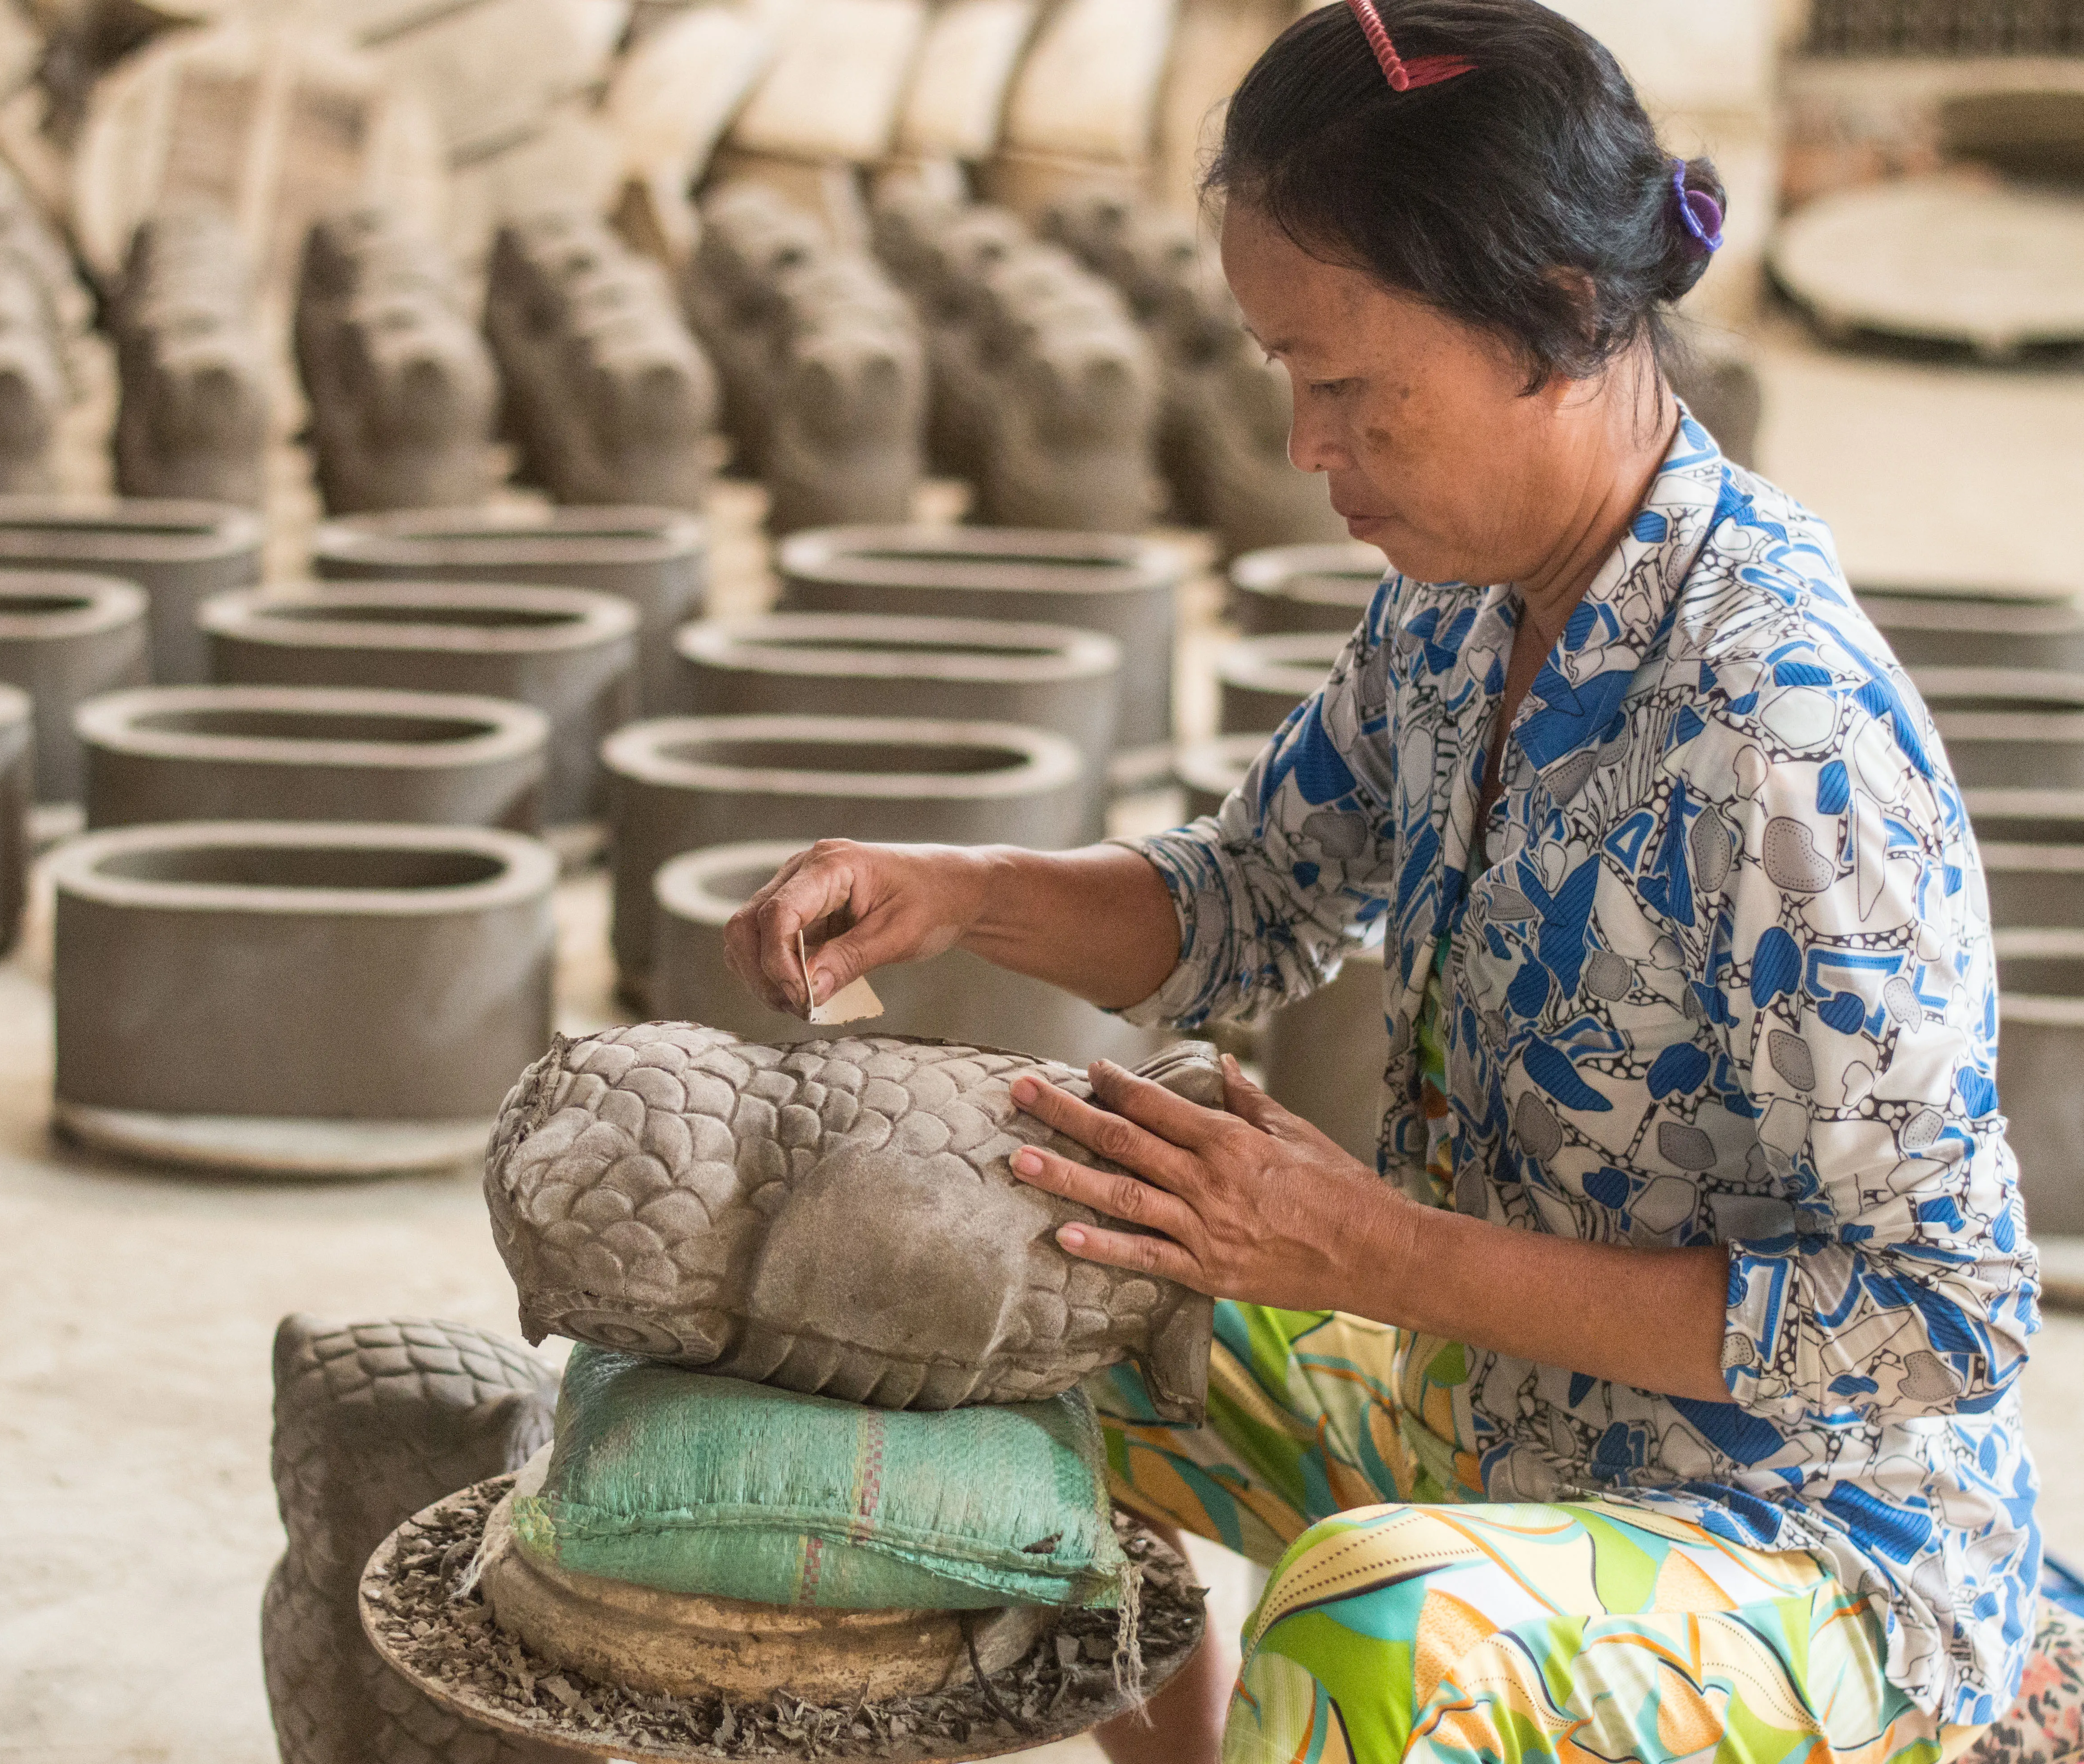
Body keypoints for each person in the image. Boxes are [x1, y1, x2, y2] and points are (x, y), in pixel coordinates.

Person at [724, 3, 2050, 1759]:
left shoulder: (1777, 737)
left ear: (1557, 319)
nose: (1301, 445)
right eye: (1281, 373)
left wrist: (1369, 1247)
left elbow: (1936, 1321)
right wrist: (957, 888)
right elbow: (1237, 905)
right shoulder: (1455, 602)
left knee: (1370, 1617)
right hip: (1498, 1409)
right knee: (1040, 1287)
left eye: (1346, 386)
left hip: (1814, 1552)